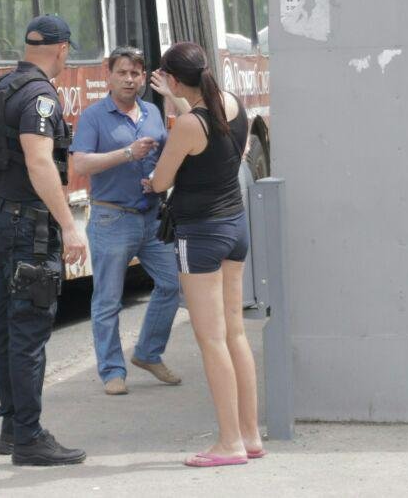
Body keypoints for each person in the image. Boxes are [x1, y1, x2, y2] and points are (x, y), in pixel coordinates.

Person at [147, 41, 264, 468]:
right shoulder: (233, 105)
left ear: (175, 80)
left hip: (199, 234)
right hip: (235, 226)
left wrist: (150, 178)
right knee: (235, 334)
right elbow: (206, 122)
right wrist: (175, 99)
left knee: (210, 339)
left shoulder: (185, 126)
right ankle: (249, 436)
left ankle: (228, 442)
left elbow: (161, 182)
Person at [0, 14, 88, 466]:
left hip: (2, 218)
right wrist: (69, 225)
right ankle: (28, 435)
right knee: (29, 332)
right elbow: (41, 163)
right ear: (61, 49)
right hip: (31, 228)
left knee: (7, 326)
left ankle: (11, 427)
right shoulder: (41, 97)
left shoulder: (0, 89)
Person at [71, 46, 182, 395]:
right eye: (122, 72)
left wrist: (159, 178)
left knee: (172, 286)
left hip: (151, 218)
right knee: (107, 300)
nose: (129, 80)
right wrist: (127, 154)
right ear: (109, 75)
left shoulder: (151, 112)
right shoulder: (93, 116)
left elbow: (171, 154)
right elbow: (80, 165)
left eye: (135, 73)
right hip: (111, 218)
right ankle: (112, 371)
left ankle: (148, 353)